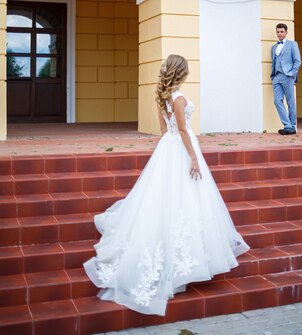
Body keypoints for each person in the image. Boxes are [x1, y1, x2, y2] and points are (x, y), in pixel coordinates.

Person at [84, 54, 249, 316]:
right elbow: (183, 129)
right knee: (186, 199)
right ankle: (182, 265)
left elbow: (165, 131)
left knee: (166, 199)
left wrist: (170, 151)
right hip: (182, 148)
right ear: (181, 72)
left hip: (167, 148)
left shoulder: (162, 97)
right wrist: (193, 157)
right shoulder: (179, 98)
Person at [270, 23, 301, 135]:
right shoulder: (274, 48)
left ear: (286, 32)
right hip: (277, 77)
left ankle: (292, 126)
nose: (280, 34)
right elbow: (274, 63)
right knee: (277, 101)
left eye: (282, 31)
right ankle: (287, 125)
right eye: (278, 32)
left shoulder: (293, 44)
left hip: (288, 76)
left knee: (290, 102)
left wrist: (292, 74)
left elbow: (297, 61)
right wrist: (273, 76)